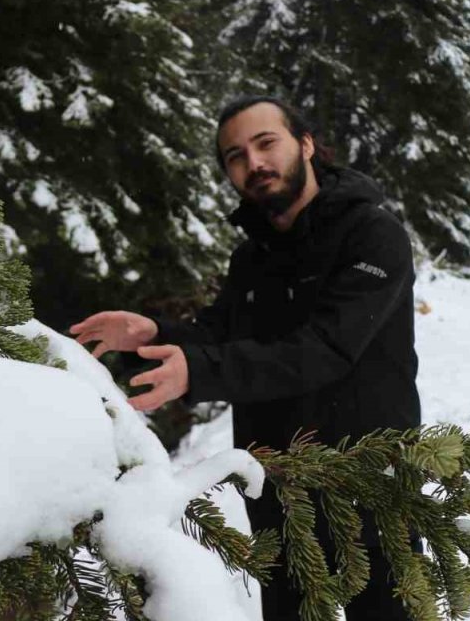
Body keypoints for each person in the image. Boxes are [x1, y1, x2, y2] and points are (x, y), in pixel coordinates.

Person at [68, 95, 422, 620]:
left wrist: (201, 371)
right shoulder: (252, 255)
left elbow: (326, 349)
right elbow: (220, 332)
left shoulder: (372, 235)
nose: (253, 163)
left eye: (265, 143)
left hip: (369, 484)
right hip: (277, 490)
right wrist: (153, 332)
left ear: (305, 144)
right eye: (235, 155)